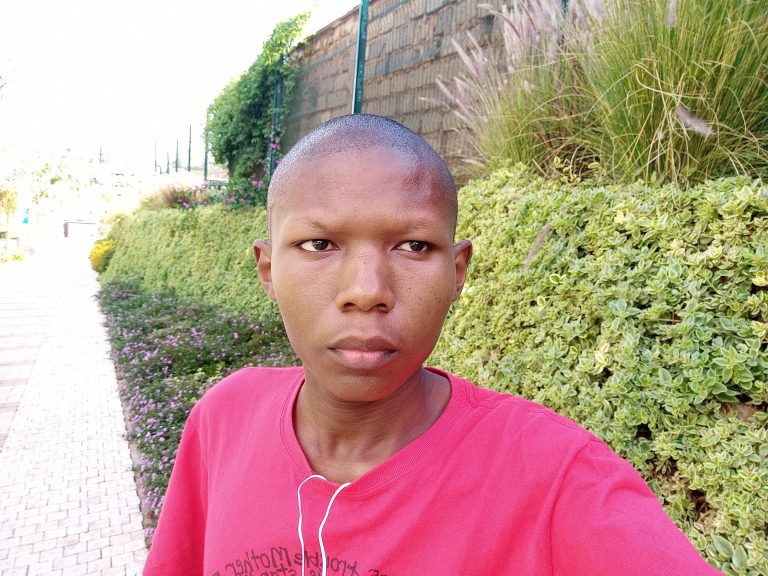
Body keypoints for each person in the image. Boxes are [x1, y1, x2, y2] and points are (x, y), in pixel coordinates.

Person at [144, 114, 723, 575]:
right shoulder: (224, 418)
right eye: (320, 244)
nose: (366, 291)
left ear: (457, 271)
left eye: (414, 246)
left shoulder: (558, 481)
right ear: (268, 269)